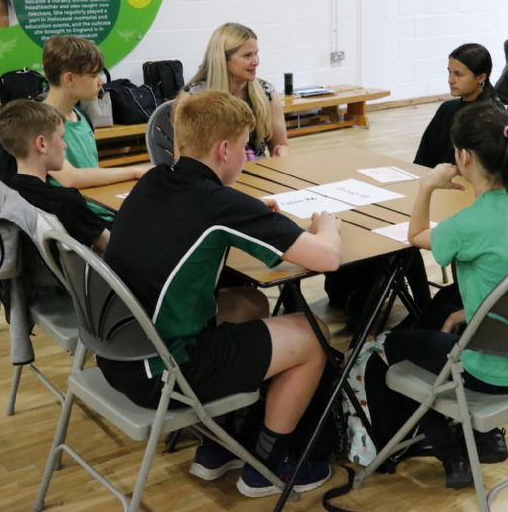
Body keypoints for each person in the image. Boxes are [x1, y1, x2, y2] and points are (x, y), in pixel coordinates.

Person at [102, 89, 343, 498]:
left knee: (250, 303)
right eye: (246, 148)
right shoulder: (220, 204)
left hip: (119, 352)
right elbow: (327, 259)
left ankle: (219, 445)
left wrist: (246, 215)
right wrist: (328, 225)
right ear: (225, 149)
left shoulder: (154, 179)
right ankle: (264, 466)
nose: (246, 156)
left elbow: (192, 228)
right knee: (314, 335)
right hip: (164, 374)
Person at [381, 102, 508, 489]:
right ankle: (487, 437)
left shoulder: (467, 225)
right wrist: (469, 311)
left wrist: (427, 185)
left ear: (462, 157)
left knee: (394, 344)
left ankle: (451, 452)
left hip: (490, 372)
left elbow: (414, 237)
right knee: (445, 319)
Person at [41, 35, 150, 221]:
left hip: (98, 206)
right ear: (69, 79)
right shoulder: (41, 123)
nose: (101, 81)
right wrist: (134, 171)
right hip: (78, 219)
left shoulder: (81, 116)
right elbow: (70, 178)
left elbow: (91, 172)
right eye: (93, 75)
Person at [0, 99, 110, 254]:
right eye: (61, 137)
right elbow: (114, 248)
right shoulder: (65, 202)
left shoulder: (6, 194)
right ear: (42, 144)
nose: (65, 145)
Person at [180, 22, 288, 159]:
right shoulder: (192, 98)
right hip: (212, 178)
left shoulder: (267, 93)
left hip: (259, 174)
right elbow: (182, 158)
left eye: (256, 54)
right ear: (223, 59)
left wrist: (281, 152)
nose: (256, 61)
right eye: (247, 55)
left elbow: (281, 145)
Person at [414, 43, 500, 168]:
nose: (450, 80)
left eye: (458, 74)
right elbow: (423, 159)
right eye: (450, 73)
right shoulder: (446, 109)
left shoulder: (491, 117)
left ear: (481, 77)